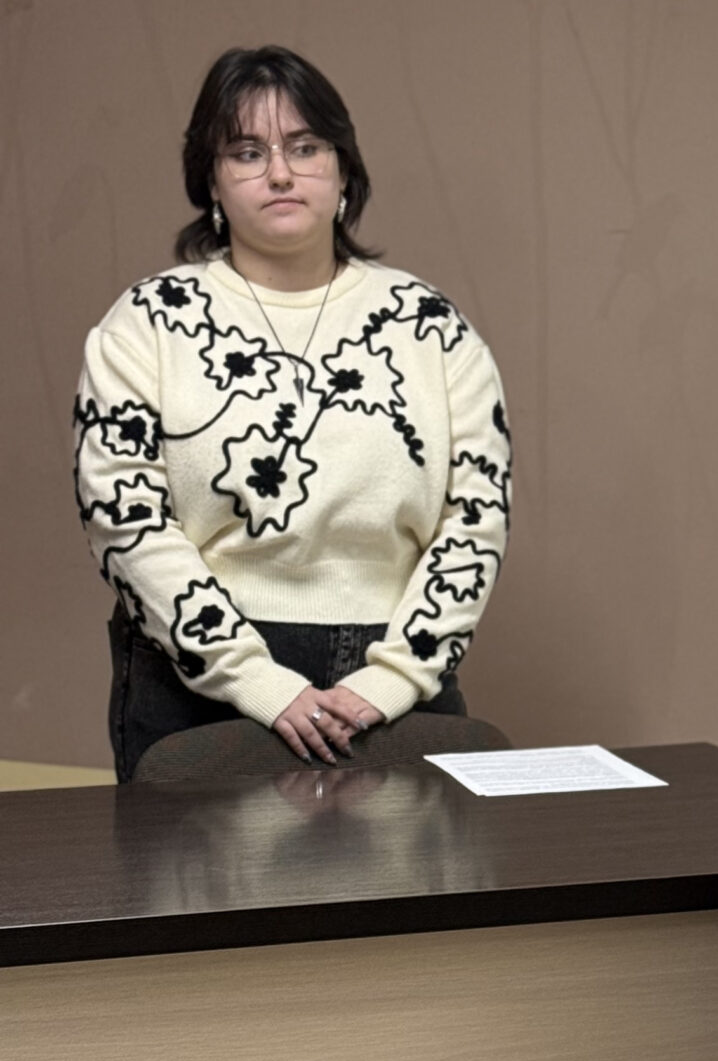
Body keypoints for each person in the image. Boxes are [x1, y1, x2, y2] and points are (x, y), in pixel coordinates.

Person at [74, 47, 511, 781]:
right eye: (248, 152)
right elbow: (123, 518)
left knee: (415, 865)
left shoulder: (431, 326)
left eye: (305, 148)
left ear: (343, 172)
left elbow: (478, 516)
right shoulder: (146, 323)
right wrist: (256, 680)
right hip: (194, 685)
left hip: (400, 677)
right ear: (211, 182)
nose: (280, 173)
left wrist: (391, 680)